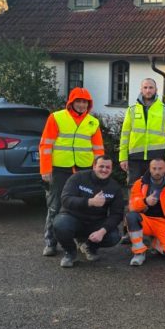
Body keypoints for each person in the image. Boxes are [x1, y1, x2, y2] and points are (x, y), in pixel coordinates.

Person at [40, 87, 105, 257]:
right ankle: (51, 242)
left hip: (84, 170)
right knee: (55, 206)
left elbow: (98, 150)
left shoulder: (93, 122)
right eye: (79, 101)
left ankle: (81, 242)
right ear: (71, 102)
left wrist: (98, 171)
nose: (82, 105)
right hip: (61, 169)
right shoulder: (57, 117)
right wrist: (45, 169)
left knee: (83, 207)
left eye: (85, 102)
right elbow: (46, 145)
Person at [52, 155, 124, 268]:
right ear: (94, 166)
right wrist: (90, 202)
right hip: (72, 218)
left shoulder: (114, 187)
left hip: (95, 222)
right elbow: (65, 199)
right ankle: (70, 253)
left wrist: (102, 231)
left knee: (114, 236)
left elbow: (117, 214)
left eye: (107, 167)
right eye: (101, 166)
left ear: (111, 169)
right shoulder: (78, 177)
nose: (104, 170)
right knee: (60, 225)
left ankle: (89, 247)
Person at [126, 157, 165, 266]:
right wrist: (145, 201)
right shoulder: (139, 183)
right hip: (146, 221)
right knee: (131, 216)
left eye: (160, 168)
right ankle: (139, 252)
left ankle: (154, 243)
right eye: (154, 168)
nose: (157, 172)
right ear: (149, 169)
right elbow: (132, 207)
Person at [118, 77, 165, 185]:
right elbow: (125, 136)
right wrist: (123, 157)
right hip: (135, 158)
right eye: (145, 87)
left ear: (156, 90)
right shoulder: (131, 110)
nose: (148, 90)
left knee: (157, 190)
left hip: (157, 158)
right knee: (135, 190)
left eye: (151, 87)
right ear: (141, 90)